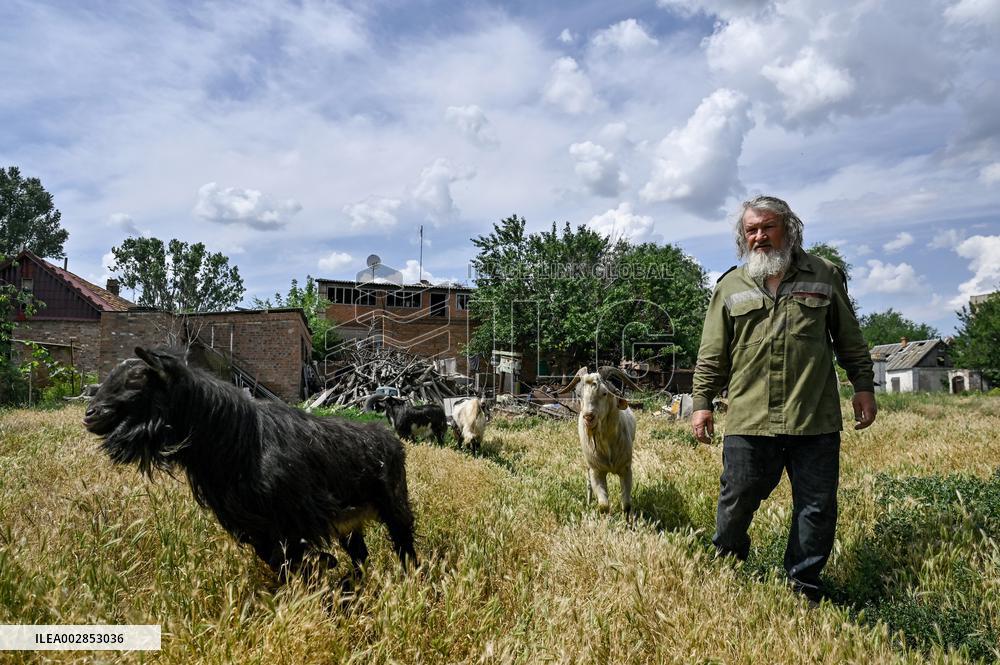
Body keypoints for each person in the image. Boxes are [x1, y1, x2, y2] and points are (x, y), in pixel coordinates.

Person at [691, 195, 877, 602]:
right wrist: (702, 401)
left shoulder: (824, 275)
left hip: (814, 418)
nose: (759, 236)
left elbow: (849, 339)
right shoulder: (730, 286)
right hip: (750, 417)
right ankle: (726, 572)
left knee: (816, 507)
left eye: (767, 227)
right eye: (751, 230)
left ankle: (804, 586)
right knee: (736, 499)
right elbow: (712, 353)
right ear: (743, 237)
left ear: (789, 228)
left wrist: (863, 385)